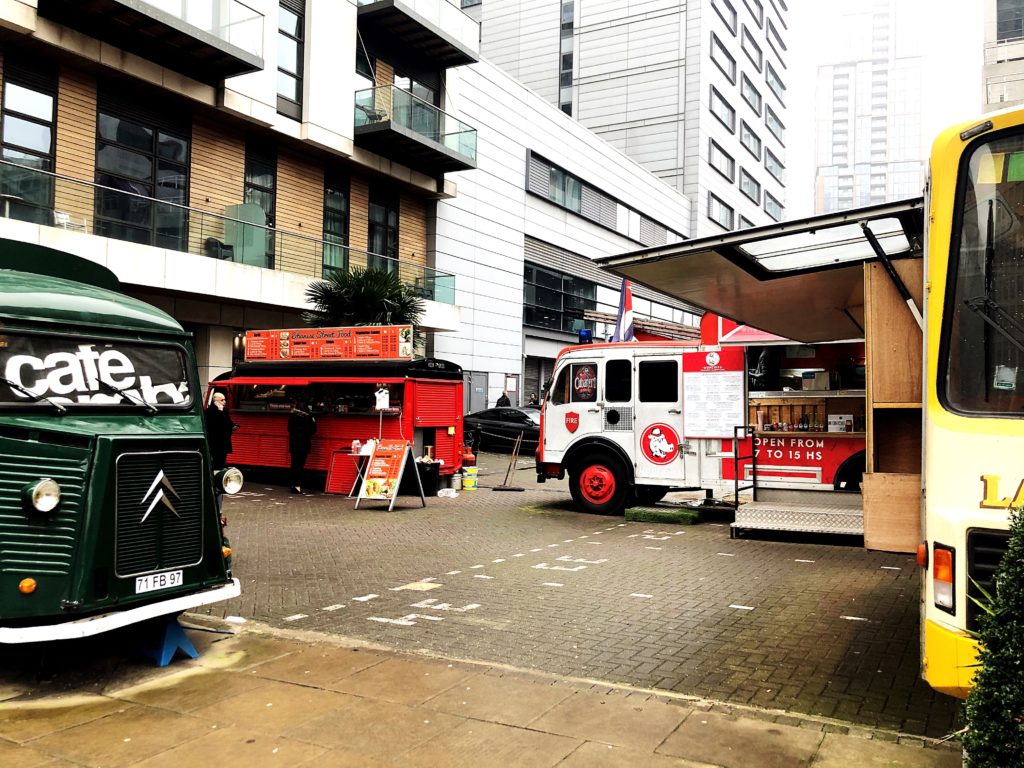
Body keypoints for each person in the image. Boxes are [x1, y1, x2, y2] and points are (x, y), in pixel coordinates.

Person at [287, 398, 317, 494]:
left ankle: (292, 485)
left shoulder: (292, 416)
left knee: (294, 464)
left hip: (294, 444)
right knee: (300, 466)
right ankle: (297, 486)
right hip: (304, 444)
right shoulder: (309, 417)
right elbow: (313, 430)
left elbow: (289, 429)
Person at [205, 391, 236, 471]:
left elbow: (228, 421)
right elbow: (214, 424)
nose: (224, 402)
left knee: (223, 459)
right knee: (216, 460)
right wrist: (219, 411)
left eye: (224, 400)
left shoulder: (224, 410)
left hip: (224, 440)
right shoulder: (209, 411)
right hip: (215, 441)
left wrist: (233, 426)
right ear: (216, 401)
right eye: (222, 400)